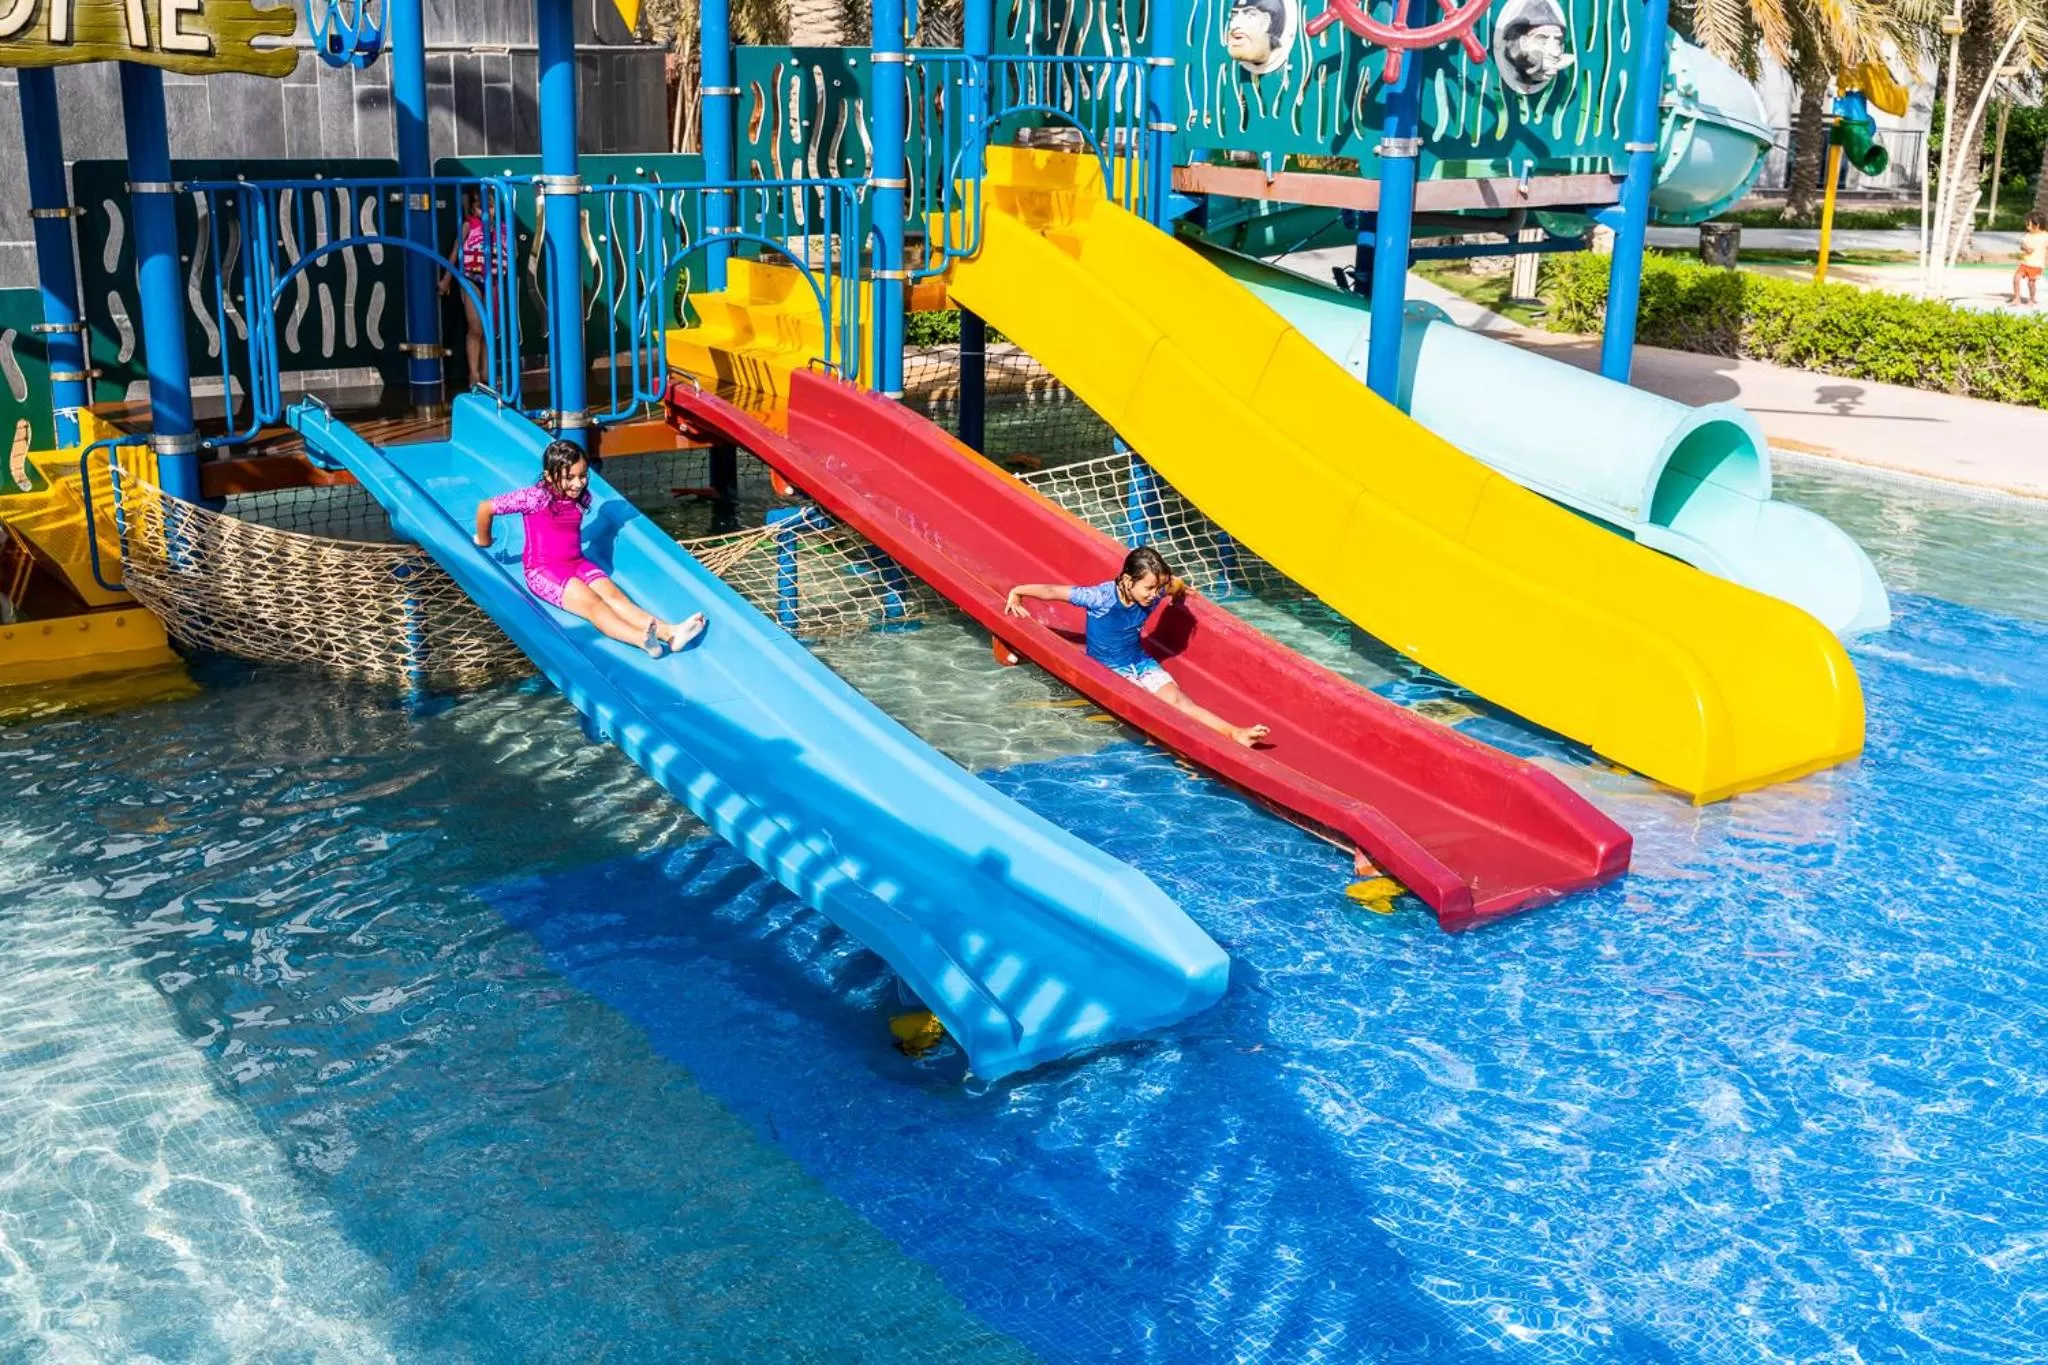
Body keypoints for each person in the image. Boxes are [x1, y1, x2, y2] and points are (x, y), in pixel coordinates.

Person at [1006, 546, 1270, 748]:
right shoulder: (1100, 597)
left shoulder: (1155, 592)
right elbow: (1054, 592)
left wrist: (1179, 592)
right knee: (1152, 710)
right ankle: (1184, 749)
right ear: (1127, 580)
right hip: (1107, 670)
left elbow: (1174, 584)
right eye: (1149, 588)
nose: (1154, 594)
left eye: (1158, 587)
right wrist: (1018, 591)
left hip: (1140, 661)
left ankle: (1234, 732)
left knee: (1178, 701)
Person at [476, 439, 706, 658]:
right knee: (595, 606)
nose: (578, 483)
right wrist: (484, 540)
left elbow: (565, 531)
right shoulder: (534, 497)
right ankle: (641, 640)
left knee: (617, 599)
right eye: (569, 478)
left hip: (577, 562)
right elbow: (485, 507)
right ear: (548, 476)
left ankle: (670, 634)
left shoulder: (582, 496)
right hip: (544, 571)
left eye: (582, 475)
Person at [440, 189, 507, 384]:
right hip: (471, 278)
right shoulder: (469, 225)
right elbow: (456, 251)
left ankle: (487, 374)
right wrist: (446, 279)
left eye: (491, 208)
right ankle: (474, 373)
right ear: (473, 208)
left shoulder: (502, 229)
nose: (486, 212)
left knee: (489, 329)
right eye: (480, 208)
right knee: (475, 327)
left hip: (492, 279)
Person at [2012, 216, 2047, 308]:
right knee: (2016, 278)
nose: (2027, 227)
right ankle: (2016, 298)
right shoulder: (2028, 235)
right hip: (2025, 263)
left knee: (2031, 283)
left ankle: (2032, 299)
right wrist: (2026, 248)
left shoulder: (2045, 236)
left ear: (2038, 225)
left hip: (2036, 265)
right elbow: (2022, 245)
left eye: (2029, 225)